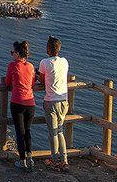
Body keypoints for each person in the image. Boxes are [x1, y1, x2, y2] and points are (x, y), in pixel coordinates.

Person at [37, 35, 70, 171]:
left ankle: (55, 160)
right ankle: (64, 159)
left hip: (51, 101)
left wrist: (36, 75)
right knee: (60, 131)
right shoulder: (65, 61)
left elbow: (42, 81)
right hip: (64, 101)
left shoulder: (44, 62)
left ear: (48, 49)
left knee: (53, 132)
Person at [4, 40, 36, 171]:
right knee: (27, 131)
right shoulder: (31, 66)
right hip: (31, 103)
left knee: (20, 132)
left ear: (17, 53)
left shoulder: (12, 65)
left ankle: (22, 161)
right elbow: (32, 83)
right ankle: (30, 157)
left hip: (17, 102)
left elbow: (7, 83)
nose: (12, 54)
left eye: (13, 52)